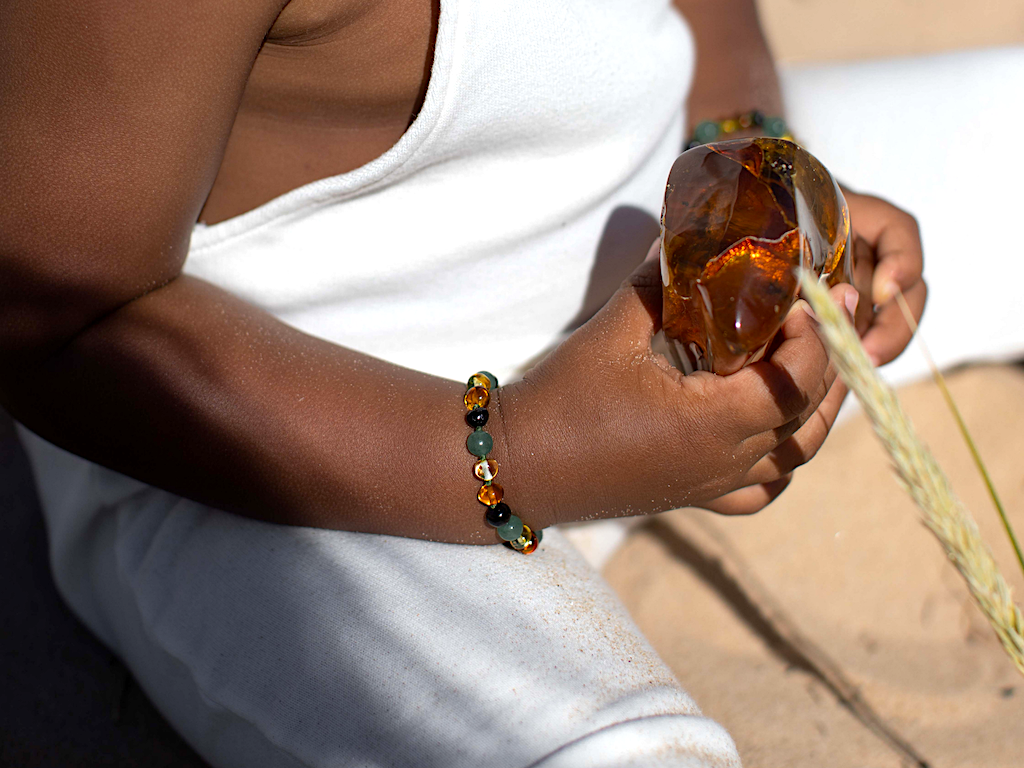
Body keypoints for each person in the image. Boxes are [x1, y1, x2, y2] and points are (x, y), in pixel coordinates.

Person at [0, 0, 924, 765]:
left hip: (643, 267)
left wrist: (758, 178)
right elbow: (57, 315)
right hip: (296, 447)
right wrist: (524, 452)